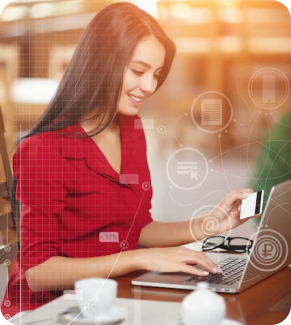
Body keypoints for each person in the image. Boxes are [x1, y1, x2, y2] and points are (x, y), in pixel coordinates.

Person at [1, 2, 258, 320]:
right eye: (139, 71)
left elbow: (136, 228)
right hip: (48, 309)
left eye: (156, 74)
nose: (150, 86)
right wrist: (141, 259)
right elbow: (38, 273)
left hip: (109, 293)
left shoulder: (131, 129)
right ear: (101, 62)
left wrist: (212, 224)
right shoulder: (43, 151)